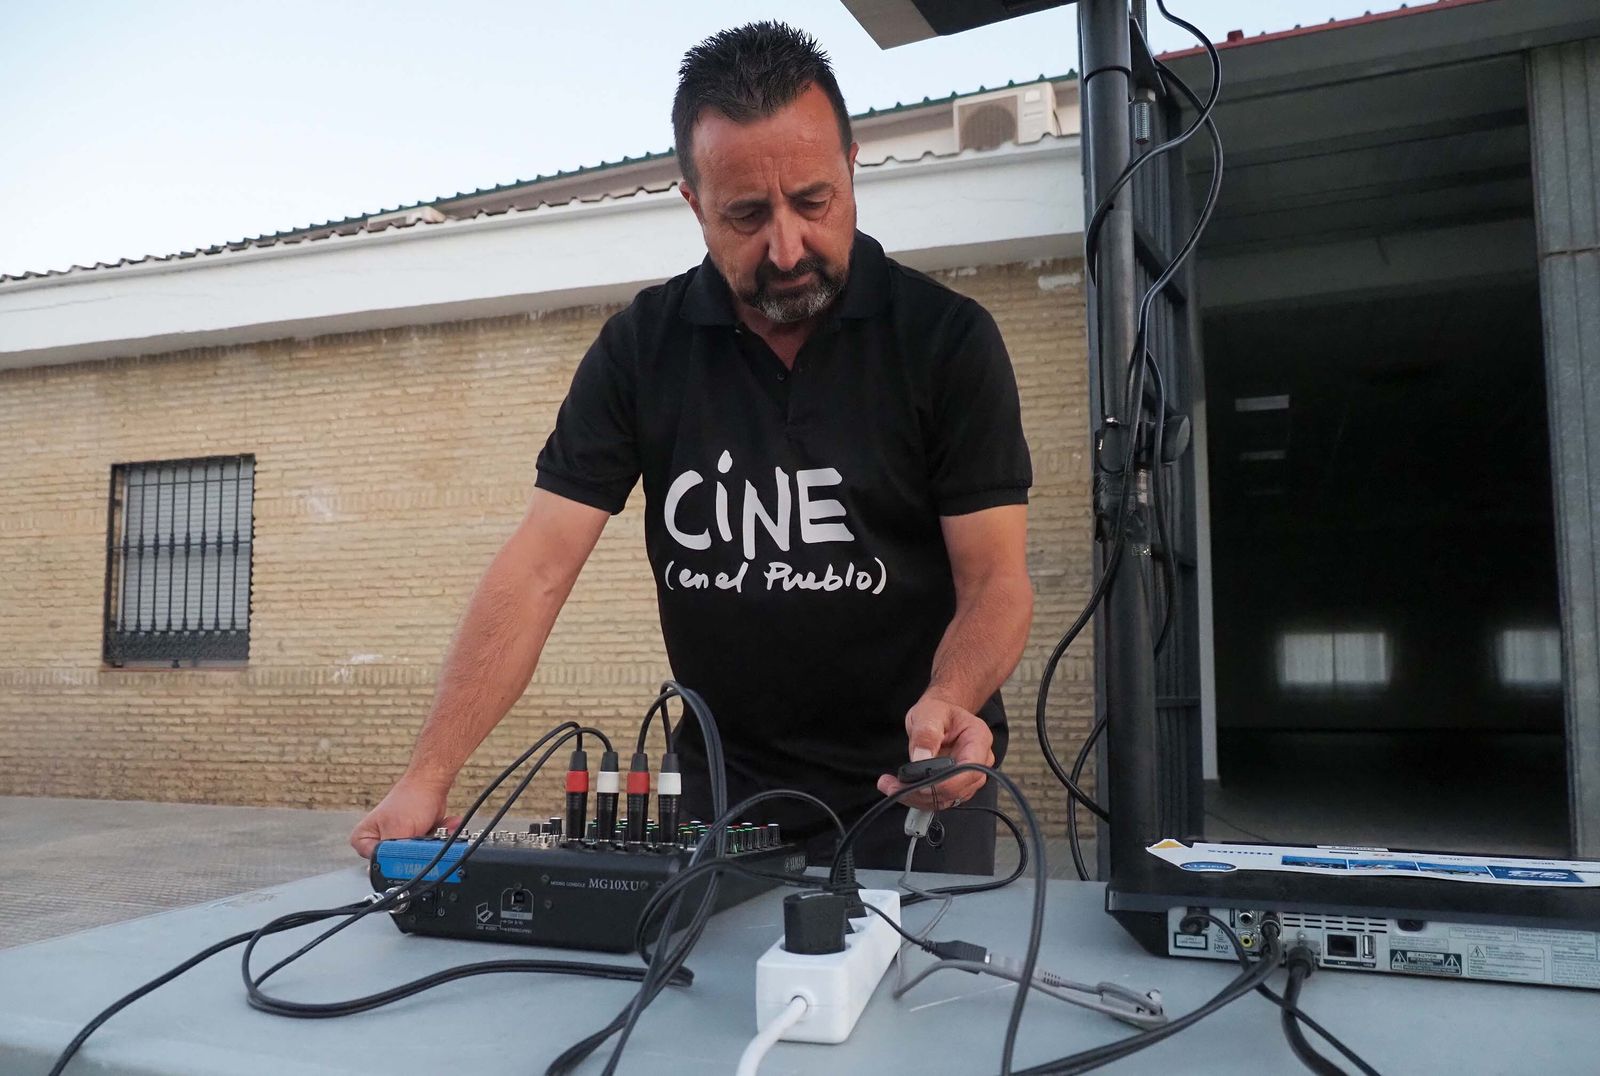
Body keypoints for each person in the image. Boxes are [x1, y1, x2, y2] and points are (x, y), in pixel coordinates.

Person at [350, 21, 1033, 872]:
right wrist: (427, 774)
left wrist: (951, 699)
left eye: (813, 202)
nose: (787, 248)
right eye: (746, 215)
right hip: (719, 803)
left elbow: (996, 579)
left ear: (854, 166)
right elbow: (538, 567)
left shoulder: (947, 341)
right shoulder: (642, 349)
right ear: (692, 202)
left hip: (918, 792)